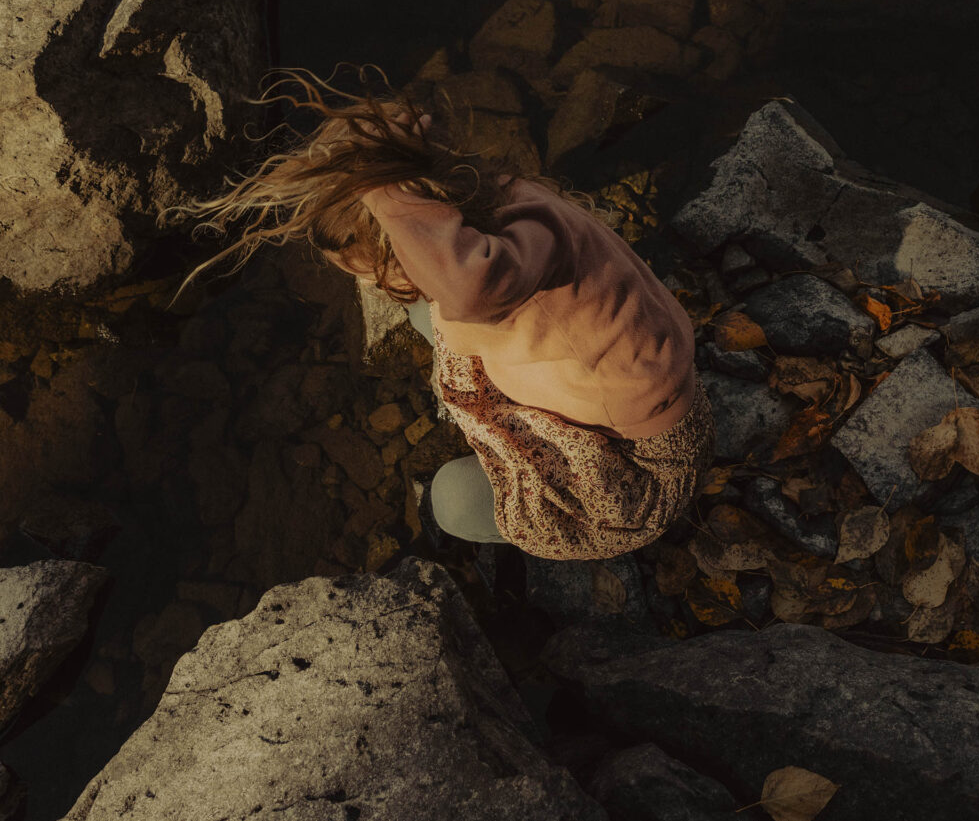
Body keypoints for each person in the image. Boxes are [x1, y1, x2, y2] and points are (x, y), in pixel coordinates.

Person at [172, 69, 712, 561]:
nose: (367, 285)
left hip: (636, 469)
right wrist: (389, 176)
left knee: (451, 500)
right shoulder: (501, 208)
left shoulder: (501, 272)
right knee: (420, 311)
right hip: (621, 390)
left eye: (372, 272)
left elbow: (468, 291)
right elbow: (454, 283)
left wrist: (383, 193)